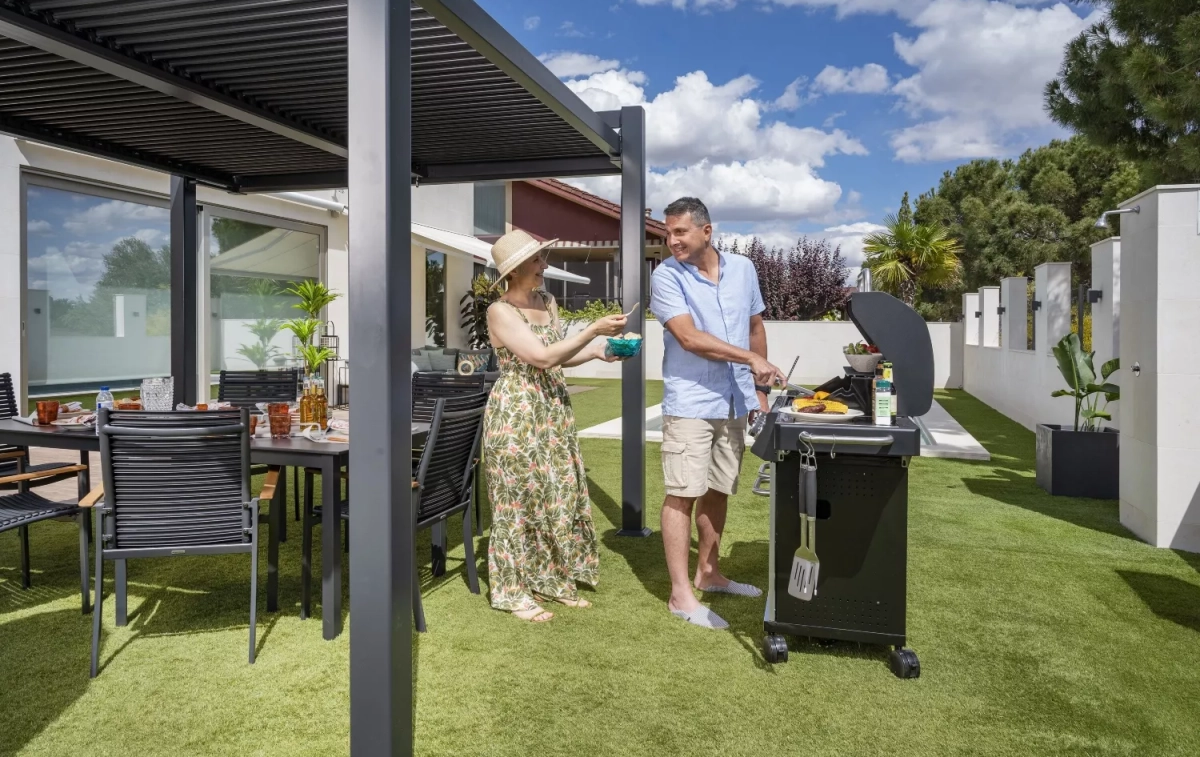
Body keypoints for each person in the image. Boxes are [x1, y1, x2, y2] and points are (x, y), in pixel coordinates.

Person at [650, 197, 785, 630]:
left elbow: (755, 327)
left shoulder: (744, 269)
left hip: (733, 401)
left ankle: (708, 573)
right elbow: (689, 338)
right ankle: (679, 595)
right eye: (667, 233)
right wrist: (750, 360)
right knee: (682, 492)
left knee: (718, 489)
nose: (671, 241)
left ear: (707, 231)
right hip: (690, 402)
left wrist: (759, 393)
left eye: (680, 232)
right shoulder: (665, 276)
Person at [483, 228, 630, 623]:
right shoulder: (499, 311)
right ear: (514, 271)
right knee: (516, 503)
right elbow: (542, 357)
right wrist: (592, 330)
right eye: (537, 260)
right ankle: (513, 592)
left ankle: (550, 578)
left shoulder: (546, 301)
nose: (544, 264)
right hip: (516, 415)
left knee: (555, 496)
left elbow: (559, 356)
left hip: (551, 412)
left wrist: (599, 350)